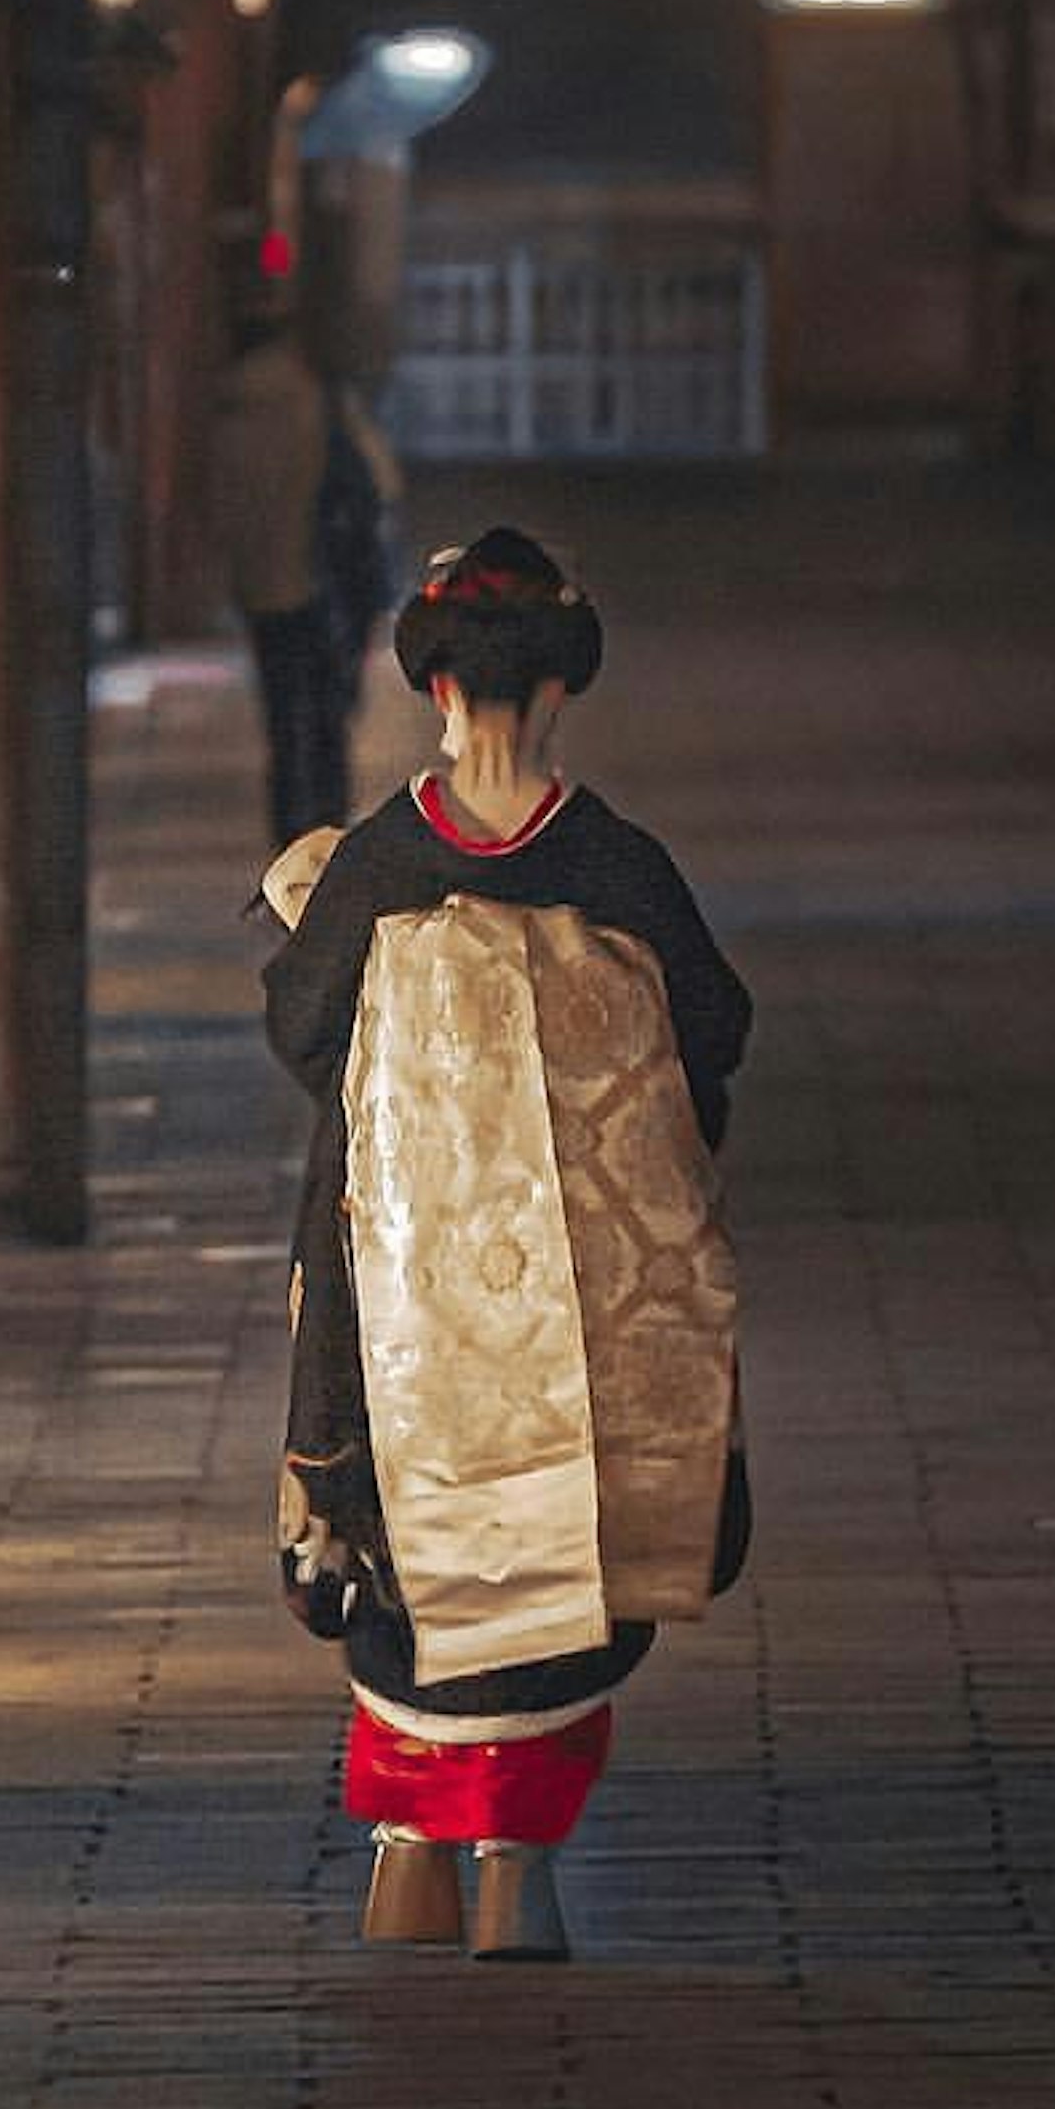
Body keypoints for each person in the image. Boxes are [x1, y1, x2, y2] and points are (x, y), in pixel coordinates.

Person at [256, 526, 752, 1959]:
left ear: (436, 691)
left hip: (393, 1273)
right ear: (556, 694)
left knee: (399, 1538)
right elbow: (711, 1031)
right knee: (561, 1549)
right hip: (580, 1289)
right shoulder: (614, 862)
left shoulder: (380, 859)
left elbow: (304, 1031)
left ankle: (406, 1851)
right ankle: (515, 1880)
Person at [210, 302, 399, 847]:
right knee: (327, 718)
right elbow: (369, 488)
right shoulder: (317, 403)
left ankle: (288, 833)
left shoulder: (229, 414)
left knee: (282, 717)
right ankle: (328, 828)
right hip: (320, 582)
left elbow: (223, 510)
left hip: (262, 587)